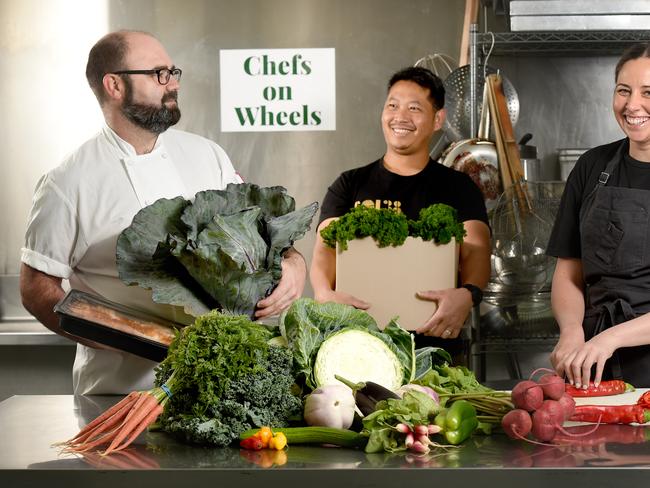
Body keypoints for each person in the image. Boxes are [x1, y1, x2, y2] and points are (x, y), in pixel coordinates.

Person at [19, 30, 306, 395]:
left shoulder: (207, 155)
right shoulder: (68, 182)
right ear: (114, 85)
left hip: (220, 381)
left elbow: (259, 226)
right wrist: (109, 337)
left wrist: (294, 262)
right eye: (159, 74)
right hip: (122, 390)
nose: (172, 84)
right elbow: (35, 288)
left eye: (173, 72)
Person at [309, 66, 491, 356]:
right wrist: (322, 294)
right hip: (358, 343)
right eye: (392, 105)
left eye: (414, 108)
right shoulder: (349, 184)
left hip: (434, 344)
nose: (400, 117)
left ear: (437, 119)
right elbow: (324, 248)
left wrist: (469, 295)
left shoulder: (459, 187)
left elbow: (477, 250)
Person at [547, 42, 650, 389]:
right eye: (624, 90)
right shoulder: (592, 166)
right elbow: (569, 271)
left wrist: (610, 339)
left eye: (647, 92)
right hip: (593, 365)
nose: (632, 105)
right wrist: (572, 330)